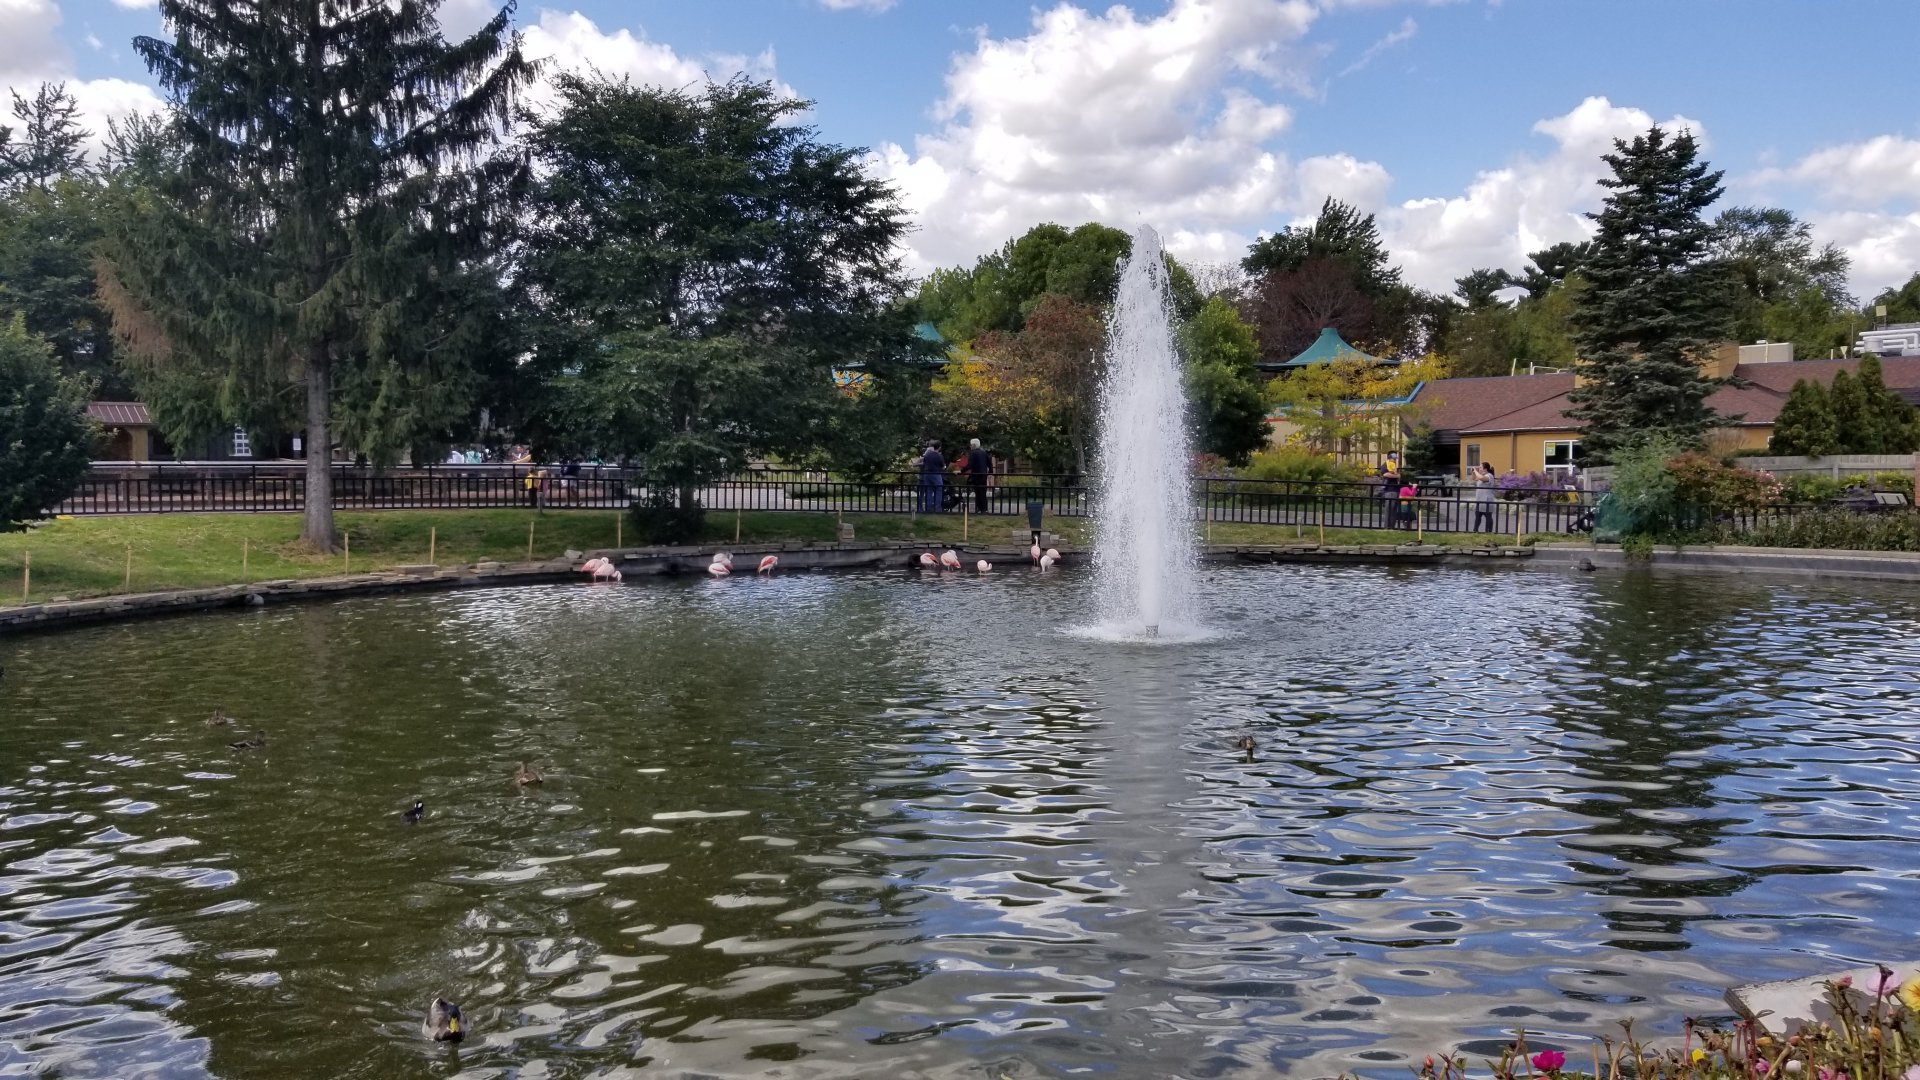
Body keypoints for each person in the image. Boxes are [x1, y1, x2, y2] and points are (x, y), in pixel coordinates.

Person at [961, 438, 992, 514]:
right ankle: (984, 509)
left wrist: (961, 471)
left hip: (976, 475)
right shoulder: (983, 453)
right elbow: (989, 463)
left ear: (974, 445)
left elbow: (970, 465)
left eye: (971, 445)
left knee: (977, 492)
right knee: (983, 492)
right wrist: (991, 473)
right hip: (983, 475)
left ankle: (979, 508)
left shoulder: (973, 453)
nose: (970, 446)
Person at [1468, 462, 1497, 532]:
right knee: (1477, 517)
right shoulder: (1481, 475)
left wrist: (1475, 470)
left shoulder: (1489, 476)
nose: (1479, 468)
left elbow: (1482, 478)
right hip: (1479, 500)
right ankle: (1475, 531)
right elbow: (1473, 479)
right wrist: (1473, 472)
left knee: (1488, 517)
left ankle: (1488, 532)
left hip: (1486, 501)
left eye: (1480, 467)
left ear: (1485, 468)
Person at [918, 441, 946, 513]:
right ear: (939, 447)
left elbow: (924, 462)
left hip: (926, 474)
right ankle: (937, 509)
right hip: (936, 474)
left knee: (928, 491)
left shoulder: (928, 455)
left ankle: (928, 508)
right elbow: (943, 467)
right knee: (939, 490)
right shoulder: (939, 456)